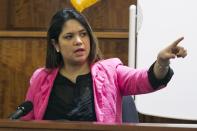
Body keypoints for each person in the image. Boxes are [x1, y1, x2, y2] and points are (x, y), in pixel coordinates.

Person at [22, 8, 187, 123]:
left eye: (83, 34)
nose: (78, 41)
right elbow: (25, 123)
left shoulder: (111, 71)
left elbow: (143, 79)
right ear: (55, 44)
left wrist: (161, 63)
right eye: (69, 36)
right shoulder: (40, 78)